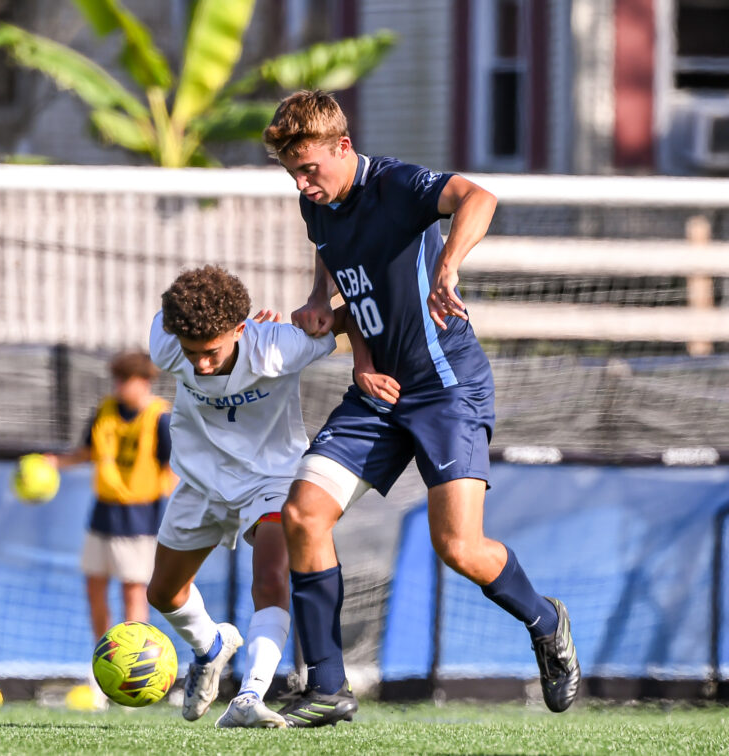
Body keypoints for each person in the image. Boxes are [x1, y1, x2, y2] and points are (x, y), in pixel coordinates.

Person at [261, 90, 580, 727]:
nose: (301, 182)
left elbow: (479, 197)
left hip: (447, 389)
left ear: (343, 148)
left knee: (458, 546)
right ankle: (327, 687)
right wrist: (325, 308)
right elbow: (341, 266)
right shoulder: (315, 202)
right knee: (301, 514)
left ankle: (546, 620)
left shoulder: (397, 185)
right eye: (292, 171)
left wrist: (449, 269)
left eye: (309, 169)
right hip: (377, 393)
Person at [146, 264, 360, 728]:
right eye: (191, 353)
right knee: (163, 593)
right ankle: (210, 647)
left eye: (211, 351)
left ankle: (249, 696)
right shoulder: (164, 344)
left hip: (273, 479)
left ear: (241, 329)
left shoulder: (279, 348)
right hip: (202, 480)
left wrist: (329, 323)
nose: (200, 364)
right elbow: (186, 345)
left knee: (269, 579)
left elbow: (352, 319)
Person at [37, 351, 174, 706]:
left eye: (125, 380)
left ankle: (137, 672)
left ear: (144, 381)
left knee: (134, 594)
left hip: (139, 518)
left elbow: (174, 470)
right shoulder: (105, 410)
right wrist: (55, 463)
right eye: (116, 379)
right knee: (94, 591)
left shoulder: (160, 417)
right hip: (102, 515)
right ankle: (101, 669)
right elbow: (87, 452)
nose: (119, 387)